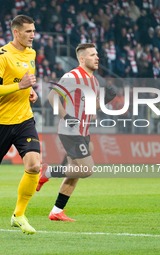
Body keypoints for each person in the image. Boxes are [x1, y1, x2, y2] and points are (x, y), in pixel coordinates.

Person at [0, 15, 40, 238]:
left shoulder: (31, 53)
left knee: (34, 166)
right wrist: (18, 85)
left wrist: (29, 91)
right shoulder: (1, 56)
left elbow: (26, 80)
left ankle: (19, 214)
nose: (33, 35)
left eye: (33, 31)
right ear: (16, 33)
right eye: (28, 31)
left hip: (24, 119)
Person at [37, 43, 116, 221]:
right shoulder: (72, 76)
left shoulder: (94, 81)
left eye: (97, 54)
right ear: (81, 59)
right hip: (70, 130)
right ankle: (47, 172)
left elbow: (90, 108)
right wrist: (66, 116)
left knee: (75, 173)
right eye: (92, 55)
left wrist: (105, 100)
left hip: (83, 131)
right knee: (87, 169)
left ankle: (56, 211)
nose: (97, 58)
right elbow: (52, 97)